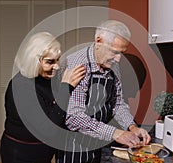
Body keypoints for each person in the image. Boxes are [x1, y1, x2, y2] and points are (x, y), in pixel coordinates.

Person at [56, 20, 151, 163]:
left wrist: (131, 127)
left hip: (99, 140)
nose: (118, 59)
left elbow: (117, 103)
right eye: (114, 52)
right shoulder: (77, 64)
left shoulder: (111, 63)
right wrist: (116, 133)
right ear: (98, 41)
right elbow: (73, 117)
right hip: (75, 145)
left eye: (121, 53)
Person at [0, 32, 86, 163]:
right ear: (33, 61)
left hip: (42, 153)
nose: (56, 66)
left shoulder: (46, 79)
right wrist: (66, 87)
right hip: (21, 155)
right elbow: (48, 130)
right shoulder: (21, 87)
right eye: (50, 62)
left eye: (58, 59)